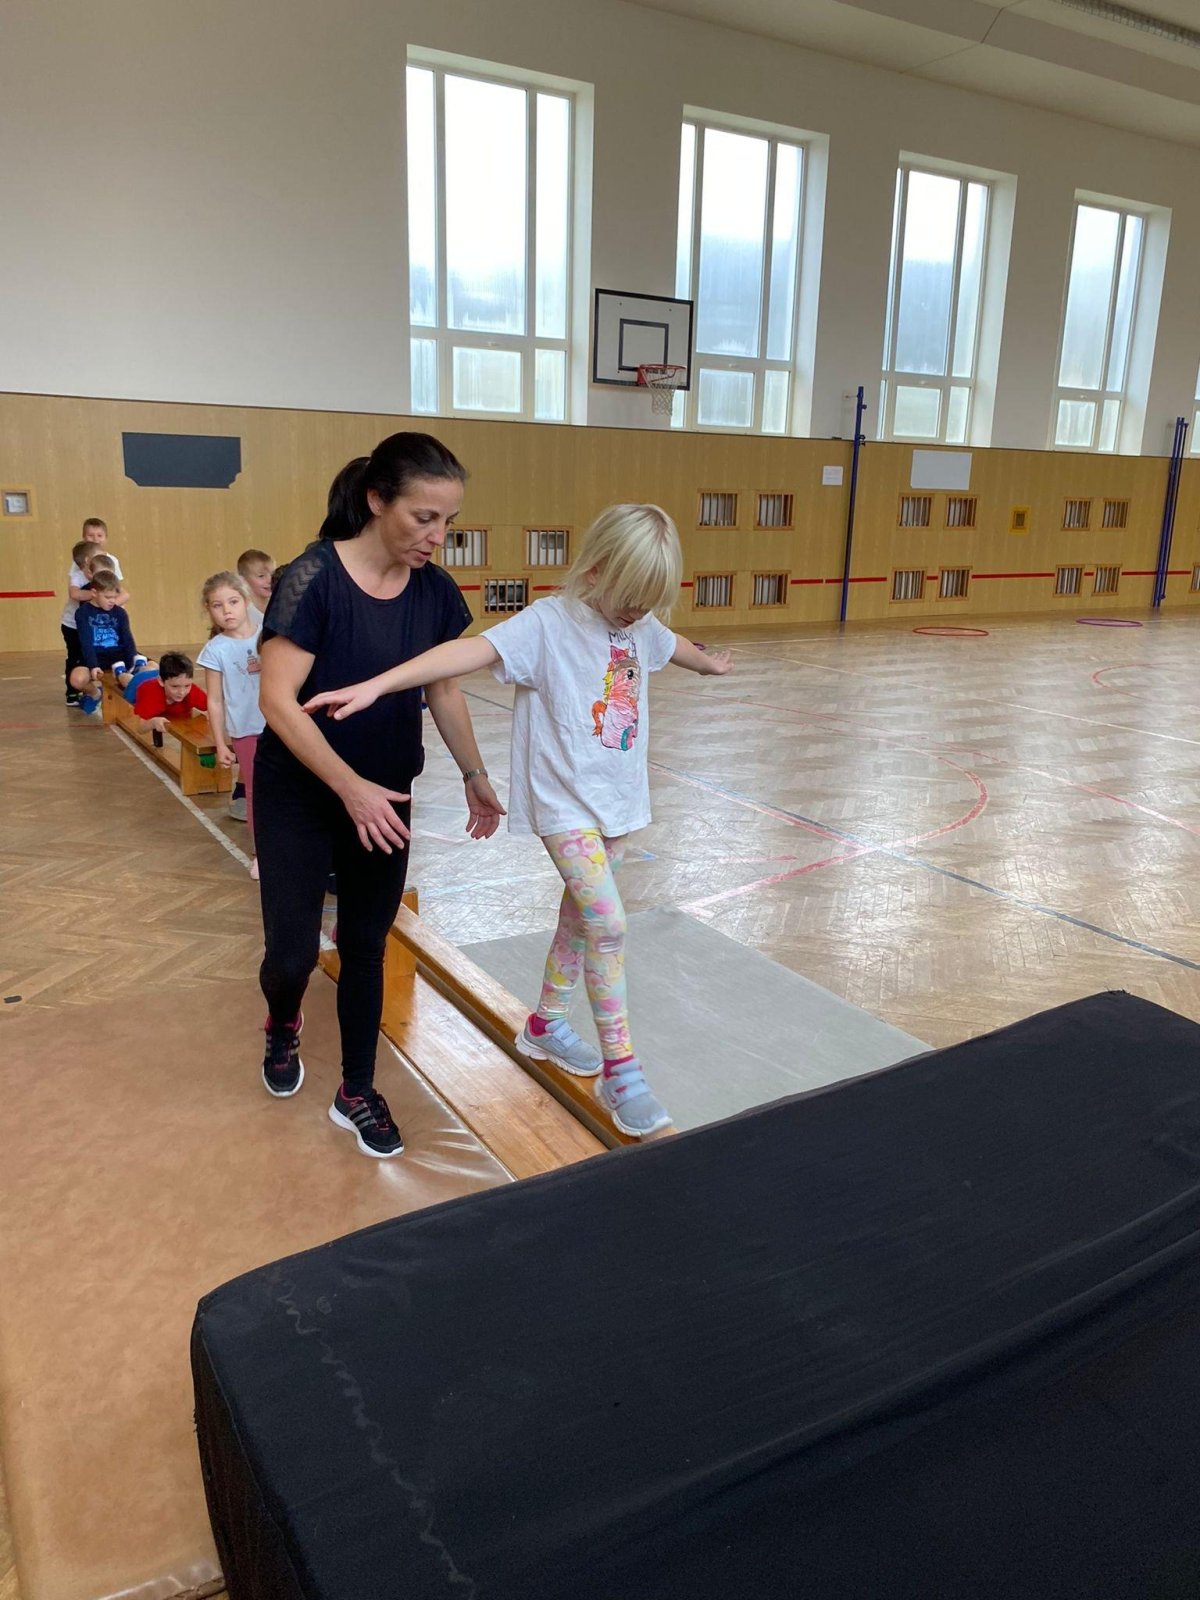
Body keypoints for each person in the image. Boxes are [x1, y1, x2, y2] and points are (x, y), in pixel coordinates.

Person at [305, 503, 733, 1139]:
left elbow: (673, 646)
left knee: (579, 919)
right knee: (608, 924)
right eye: (631, 599)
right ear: (596, 570)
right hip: (565, 805)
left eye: (649, 603)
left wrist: (709, 663)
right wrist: (379, 685)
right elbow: (463, 653)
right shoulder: (549, 623)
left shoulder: (640, 625)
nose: (638, 614)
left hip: (619, 801)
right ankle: (622, 1069)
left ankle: (545, 1024)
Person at [255, 432, 504, 1159]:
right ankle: (282, 1022)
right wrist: (348, 787)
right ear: (376, 500)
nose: (438, 536)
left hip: (386, 795)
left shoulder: (435, 592)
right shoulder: (313, 578)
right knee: (292, 957)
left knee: (365, 946)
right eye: (425, 517)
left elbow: (444, 690)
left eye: (449, 521)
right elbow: (276, 701)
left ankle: (356, 1089)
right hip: (300, 793)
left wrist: (475, 775)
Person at [197, 571, 264, 879]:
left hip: (282, 725)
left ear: (246, 600)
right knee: (256, 792)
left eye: (233, 602)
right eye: (217, 605)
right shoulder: (216, 649)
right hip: (246, 731)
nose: (227, 611)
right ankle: (261, 853)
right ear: (208, 610)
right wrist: (220, 742)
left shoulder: (268, 633)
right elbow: (214, 700)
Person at [61, 523, 128, 704]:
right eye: (91, 535)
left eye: (100, 535)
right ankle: (75, 692)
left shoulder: (111, 561)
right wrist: (96, 599)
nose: (96, 539)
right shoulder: (79, 570)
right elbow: (74, 593)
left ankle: (117, 689)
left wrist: (110, 607)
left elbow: (122, 592)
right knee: (76, 656)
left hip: (102, 622)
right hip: (74, 623)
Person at [71, 571, 146, 716]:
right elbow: (86, 642)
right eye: (107, 597)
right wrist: (93, 665)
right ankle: (96, 695)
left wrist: (133, 662)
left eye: (115, 597)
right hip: (97, 655)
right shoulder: (83, 613)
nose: (112, 601)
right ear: (94, 593)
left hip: (119, 654)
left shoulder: (120, 613)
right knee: (77, 679)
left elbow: (128, 639)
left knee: (153, 667)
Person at [133, 650, 208, 730]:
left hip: (160, 676)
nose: (182, 692)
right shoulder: (151, 694)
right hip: (139, 680)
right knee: (128, 678)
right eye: (175, 686)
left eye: (187, 686)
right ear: (161, 682)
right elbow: (138, 727)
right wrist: (152, 723)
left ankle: (145, 664)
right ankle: (134, 667)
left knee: (152, 666)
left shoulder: (192, 691)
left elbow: (212, 706)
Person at [237, 548, 275, 622]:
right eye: (261, 576)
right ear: (243, 580)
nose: (270, 580)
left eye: (272, 574)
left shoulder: (277, 604)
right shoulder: (243, 612)